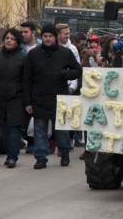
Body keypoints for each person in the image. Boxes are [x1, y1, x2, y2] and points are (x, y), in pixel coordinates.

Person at [23, 23, 82, 169]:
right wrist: (27, 102)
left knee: (61, 129)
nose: (48, 39)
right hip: (39, 97)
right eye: (45, 36)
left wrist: (65, 74)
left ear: (55, 37)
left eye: (50, 36)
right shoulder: (34, 54)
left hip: (59, 97)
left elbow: (77, 70)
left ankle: (64, 153)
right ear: (41, 37)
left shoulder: (65, 53)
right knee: (40, 129)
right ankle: (41, 157)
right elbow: (27, 79)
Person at [0, 28, 30, 167]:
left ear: (17, 42)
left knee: (14, 127)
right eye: (7, 38)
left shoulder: (24, 57)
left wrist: (27, 102)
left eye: (12, 39)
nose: (9, 41)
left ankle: (12, 157)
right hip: (0, 99)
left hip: (17, 98)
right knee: (3, 128)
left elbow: (27, 81)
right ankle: (9, 153)